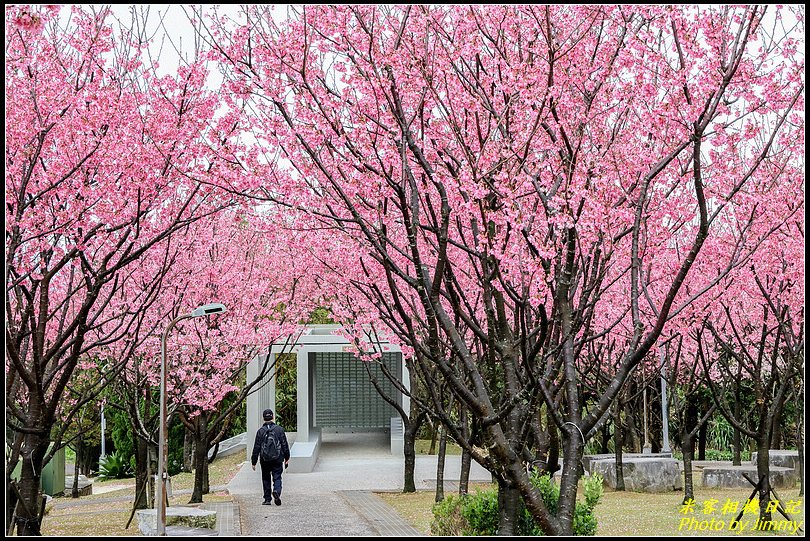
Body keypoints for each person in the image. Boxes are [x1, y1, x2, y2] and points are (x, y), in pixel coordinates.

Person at [251, 408, 290, 505]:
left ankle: (267, 499)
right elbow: (284, 444)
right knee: (277, 477)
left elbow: (256, 447)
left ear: (263, 418)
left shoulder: (260, 431)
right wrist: (287, 457)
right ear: (273, 417)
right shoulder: (279, 430)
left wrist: (254, 461)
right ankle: (276, 491)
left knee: (266, 478)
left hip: (265, 460)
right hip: (277, 458)